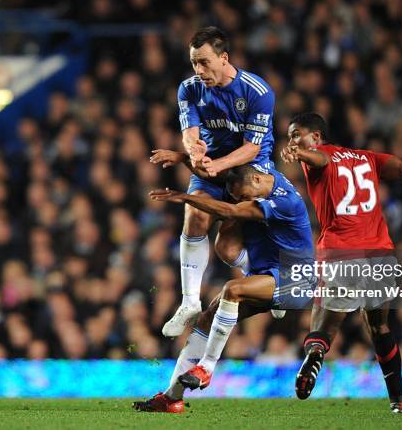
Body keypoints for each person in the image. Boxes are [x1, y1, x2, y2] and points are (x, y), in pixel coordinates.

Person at [281, 113, 402, 414]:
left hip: (341, 253)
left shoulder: (319, 155)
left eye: (296, 134)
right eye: (290, 137)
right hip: (380, 255)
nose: (292, 141)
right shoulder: (366, 158)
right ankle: (399, 401)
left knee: (323, 324)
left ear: (316, 136)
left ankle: (315, 355)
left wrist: (300, 153)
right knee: (379, 327)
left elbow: (320, 160)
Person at [133, 165, 315, 413]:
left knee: (232, 288)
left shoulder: (287, 202)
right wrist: (183, 158)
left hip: (296, 279)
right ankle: (171, 397)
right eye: (238, 197)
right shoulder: (264, 176)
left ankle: (206, 367)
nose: (241, 201)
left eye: (243, 195)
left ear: (257, 179)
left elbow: (230, 208)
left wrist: (187, 197)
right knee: (208, 317)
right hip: (269, 272)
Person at [162, 26, 276, 337]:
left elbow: (253, 146)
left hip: (251, 172)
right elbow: (190, 132)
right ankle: (189, 303)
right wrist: (193, 149)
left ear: (223, 58)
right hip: (214, 168)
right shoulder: (189, 88)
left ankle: (274, 278)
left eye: (204, 62)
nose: (199, 70)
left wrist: (218, 165)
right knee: (194, 214)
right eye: (194, 63)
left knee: (227, 248)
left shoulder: (258, 92)